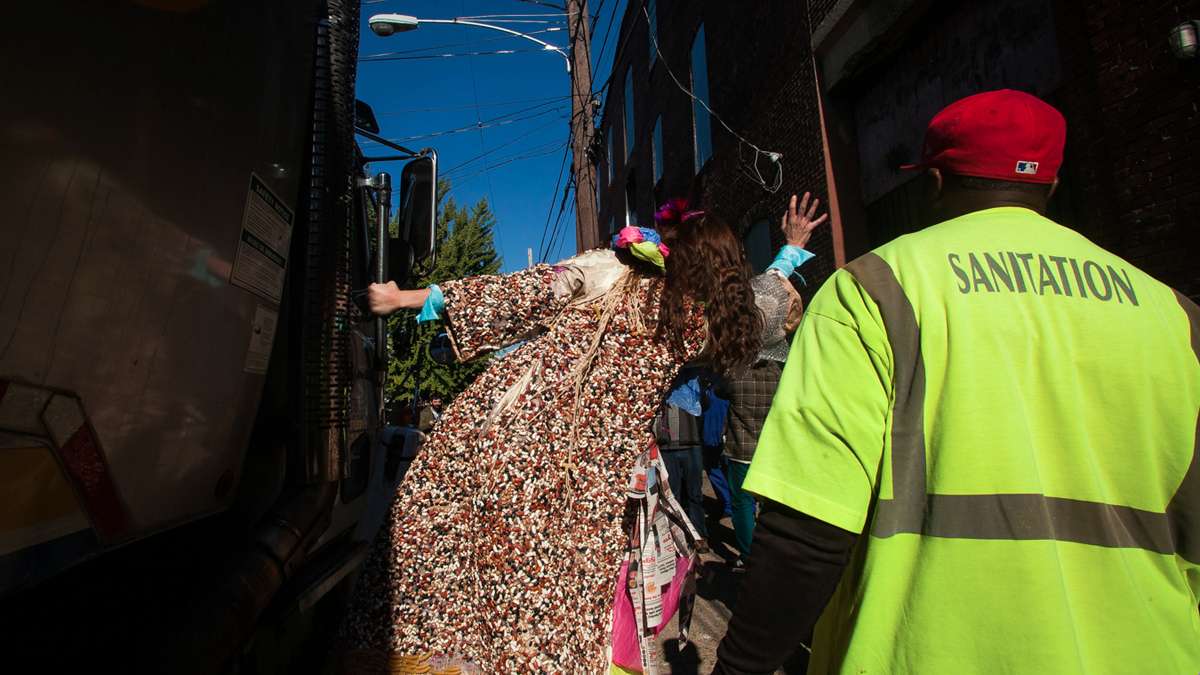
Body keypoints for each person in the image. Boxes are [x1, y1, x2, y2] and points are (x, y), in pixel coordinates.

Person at [714, 89, 1200, 675]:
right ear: (1050, 185)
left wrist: (738, 667)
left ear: (936, 181)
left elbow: (807, 532)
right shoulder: (1174, 316)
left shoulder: (872, 291)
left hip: (924, 652)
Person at [337, 198, 763, 673]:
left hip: (515, 440)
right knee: (556, 596)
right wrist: (788, 252)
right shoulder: (703, 329)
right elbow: (768, 305)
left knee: (451, 567)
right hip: (587, 481)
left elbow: (516, 295)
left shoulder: (611, 274)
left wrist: (403, 298)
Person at [720, 193, 821, 571]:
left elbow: (757, 304)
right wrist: (791, 249)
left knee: (743, 502)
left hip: (742, 448)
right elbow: (770, 297)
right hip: (778, 445)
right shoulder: (787, 365)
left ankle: (749, 554)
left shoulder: (734, 365)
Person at [657, 373, 710, 551]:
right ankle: (676, 538)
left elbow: (705, 406)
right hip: (666, 447)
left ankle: (699, 536)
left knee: (695, 494)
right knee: (672, 496)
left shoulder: (692, 381)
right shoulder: (658, 382)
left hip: (691, 444)